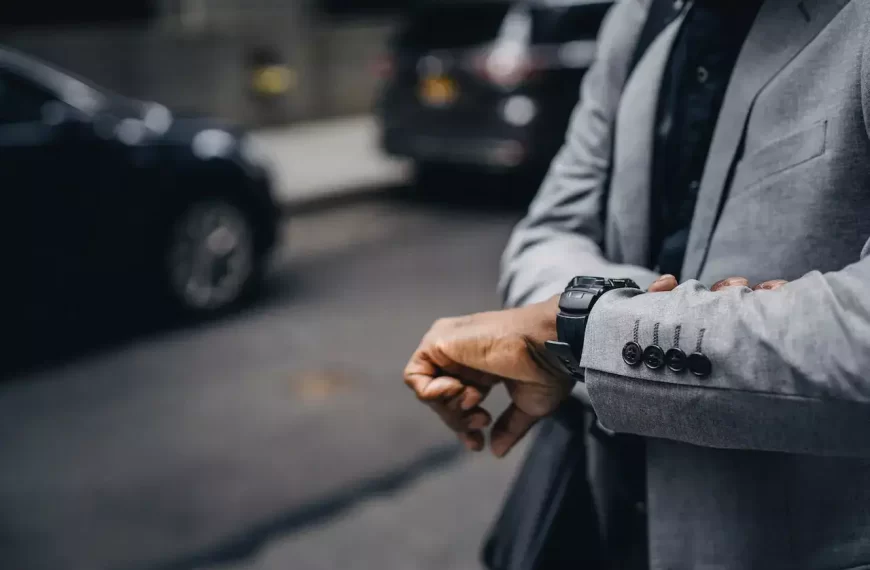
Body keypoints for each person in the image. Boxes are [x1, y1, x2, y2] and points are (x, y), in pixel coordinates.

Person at [403, 0, 870, 568]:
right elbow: (544, 235)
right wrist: (668, 323)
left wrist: (572, 333)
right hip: (612, 523)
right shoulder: (637, 18)